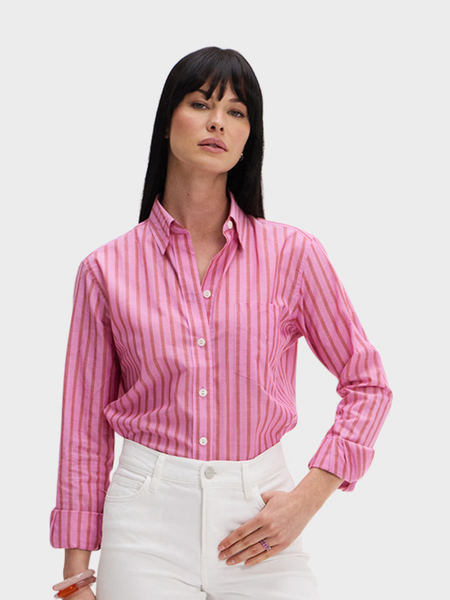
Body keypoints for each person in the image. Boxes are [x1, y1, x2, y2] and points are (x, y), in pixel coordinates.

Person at [50, 47, 392, 600]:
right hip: (144, 523)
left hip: (261, 517)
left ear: (249, 136)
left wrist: (306, 500)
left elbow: (367, 382)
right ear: (167, 122)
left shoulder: (293, 255)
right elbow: (83, 430)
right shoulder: (105, 270)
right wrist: (74, 578)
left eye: (236, 112)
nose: (217, 122)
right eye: (200, 103)